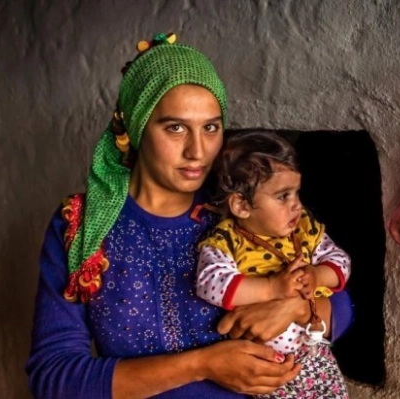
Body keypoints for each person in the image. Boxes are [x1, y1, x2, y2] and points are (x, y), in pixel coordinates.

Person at [25, 33, 353, 399]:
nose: (197, 151)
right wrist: (202, 364)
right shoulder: (83, 227)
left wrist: (294, 309)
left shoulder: (239, 208)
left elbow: (341, 304)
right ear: (136, 127)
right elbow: (54, 378)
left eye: (211, 127)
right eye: (175, 127)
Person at [197, 132, 351, 398]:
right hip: (266, 366)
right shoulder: (227, 241)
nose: (297, 205)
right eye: (283, 196)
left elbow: (340, 262)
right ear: (242, 205)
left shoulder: (304, 230)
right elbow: (210, 283)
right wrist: (272, 287)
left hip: (314, 352)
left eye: (296, 192)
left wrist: (318, 275)